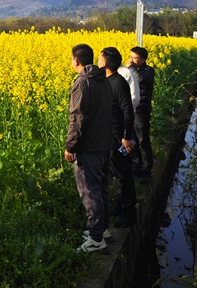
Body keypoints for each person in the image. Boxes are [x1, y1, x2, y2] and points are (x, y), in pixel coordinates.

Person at [65, 43, 113, 252]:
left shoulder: (82, 84)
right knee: (101, 189)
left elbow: (77, 118)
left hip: (89, 147)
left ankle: (96, 239)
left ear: (76, 61)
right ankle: (103, 229)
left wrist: (70, 146)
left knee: (89, 192)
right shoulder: (104, 80)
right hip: (104, 144)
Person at [99, 48, 136, 228]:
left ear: (105, 63)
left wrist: (126, 137)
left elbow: (127, 110)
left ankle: (129, 213)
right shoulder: (106, 81)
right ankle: (120, 206)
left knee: (124, 175)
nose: (98, 61)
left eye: (100, 58)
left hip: (118, 136)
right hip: (109, 135)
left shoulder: (118, 82)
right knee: (115, 173)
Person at [129, 46, 155, 184]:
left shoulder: (149, 71)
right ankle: (136, 167)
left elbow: (138, 80)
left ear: (143, 59)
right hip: (130, 109)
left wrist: (131, 68)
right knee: (131, 139)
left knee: (143, 141)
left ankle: (146, 170)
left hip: (141, 110)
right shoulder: (130, 70)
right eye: (131, 57)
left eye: (135, 58)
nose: (131, 60)